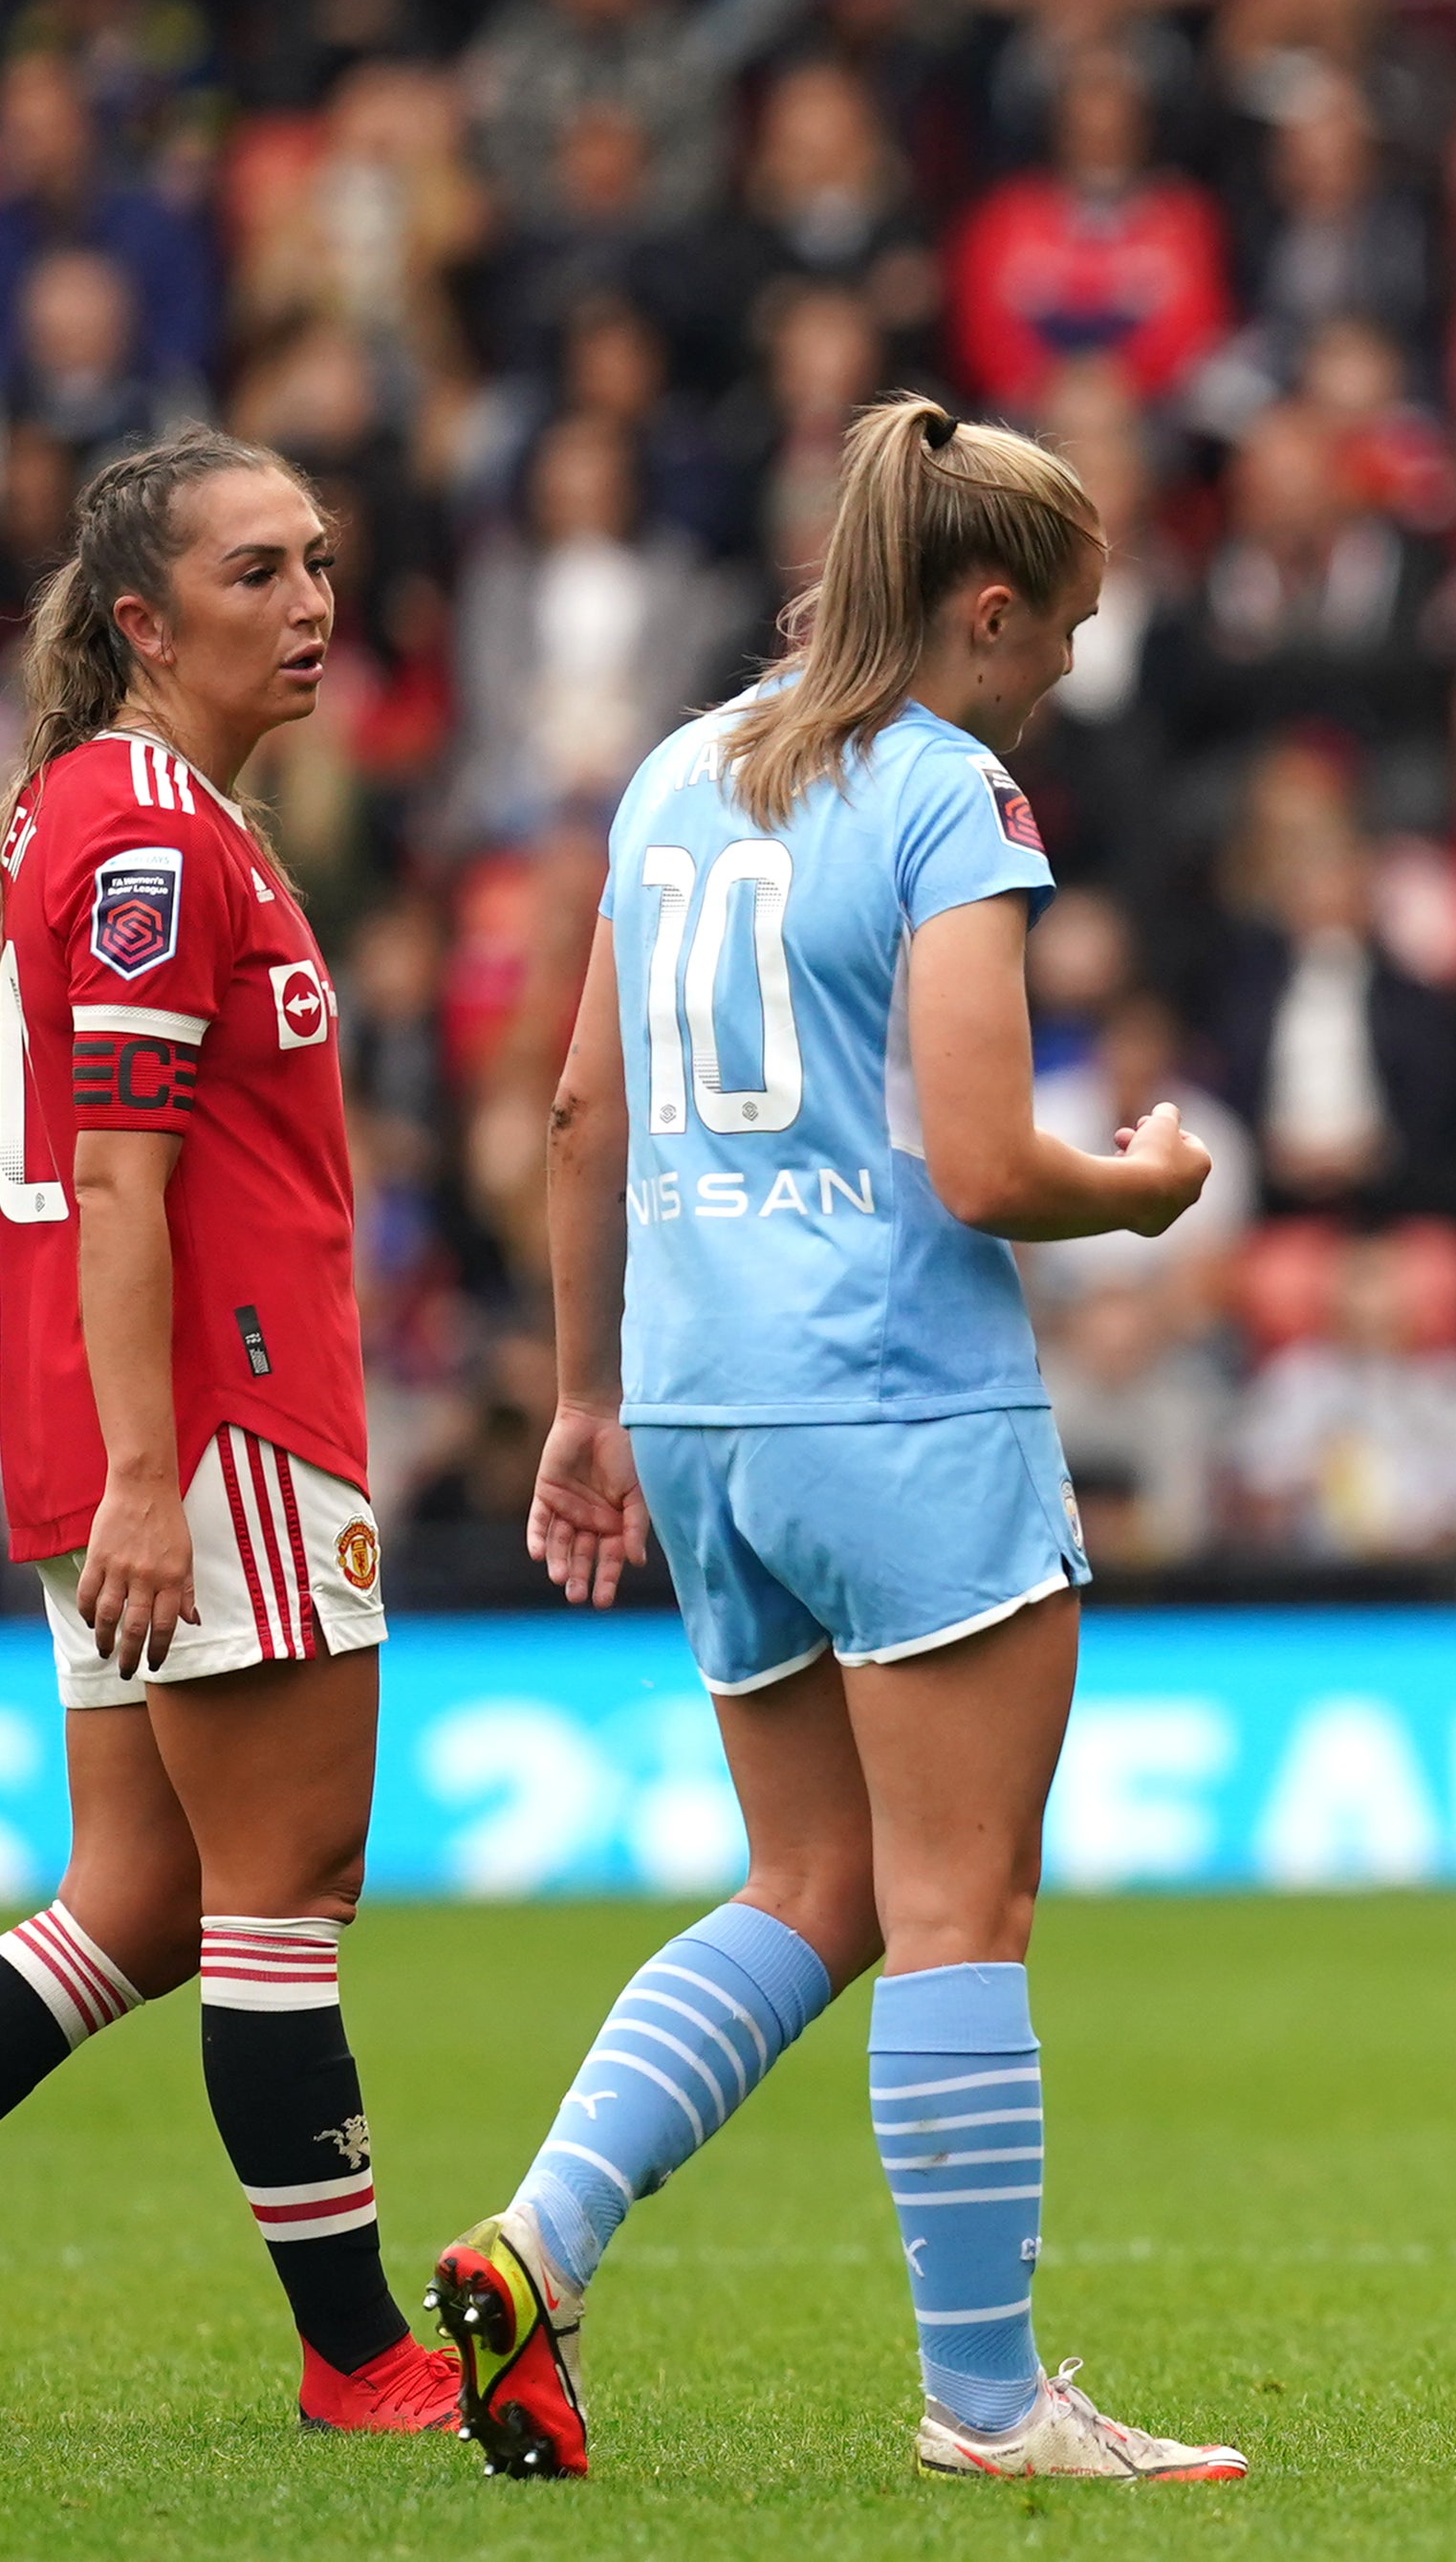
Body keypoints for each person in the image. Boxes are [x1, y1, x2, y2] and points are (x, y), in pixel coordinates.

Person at [421, 398, 1244, 2486]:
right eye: (1062, 624)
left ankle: (541, 2236)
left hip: (700, 1400)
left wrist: (584, 1395)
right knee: (958, 1902)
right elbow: (976, 1161)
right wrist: (1138, 1185)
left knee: (810, 1879)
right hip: (894, 1395)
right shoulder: (950, 793)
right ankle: (987, 2401)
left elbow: (578, 1109)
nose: (1066, 663)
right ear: (983, 608)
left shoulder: (679, 771)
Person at [0, 428, 464, 2431]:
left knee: (133, 1903)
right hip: (212, 1420)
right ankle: (359, 2356)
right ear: (140, 620)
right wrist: (140, 1474)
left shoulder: (110, 811)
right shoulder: (151, 839)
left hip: (127, 1421)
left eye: (319, 562)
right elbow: (120, 1176)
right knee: (289, 1886)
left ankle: (348, 2347)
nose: (309, 604)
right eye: (258, 571)